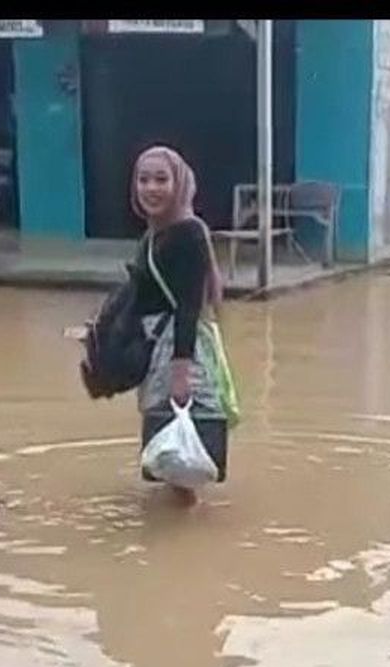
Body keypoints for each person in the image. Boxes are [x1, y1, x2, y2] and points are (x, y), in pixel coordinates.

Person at [130, 145, 231, 505]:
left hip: (178, 351)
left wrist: (180, 373)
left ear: (179, 182)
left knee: (184, 451)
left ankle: (184, 530)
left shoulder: (187, 233)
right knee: (171, 447)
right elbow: (143, 296)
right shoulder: (154, 234)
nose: (151, 188)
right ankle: (180, 523)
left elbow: (189, 305)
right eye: (143, 179)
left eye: (161, 179)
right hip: (160, 349)